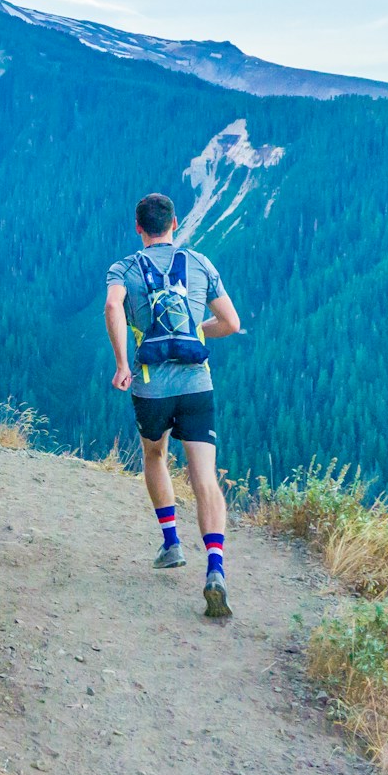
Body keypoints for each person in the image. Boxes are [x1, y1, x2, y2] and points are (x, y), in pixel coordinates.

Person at [103, 192, 242, 619]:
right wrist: (194, 331)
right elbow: (232, 324)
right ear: (175, 223)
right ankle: (215, 569)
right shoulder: (200, 264)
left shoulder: (123, 268)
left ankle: (171, 543)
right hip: (198, 384)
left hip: (151, 386)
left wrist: (123, 363)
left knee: (155, 454)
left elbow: (112, 305)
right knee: (204, 476)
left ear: (139, 228)